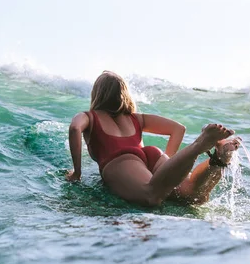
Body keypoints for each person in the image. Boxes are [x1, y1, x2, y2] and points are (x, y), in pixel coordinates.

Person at [66, 71, 240, 207]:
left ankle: (198, 146)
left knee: (151, 195)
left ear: (97, 95)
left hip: (121, 162)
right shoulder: (135, 117)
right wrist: (168, 167)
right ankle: (218, 159)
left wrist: (77, 172)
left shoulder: (89, 117)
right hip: (149, 156)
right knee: (192, 195)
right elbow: (178, 128)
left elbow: (74, 128)